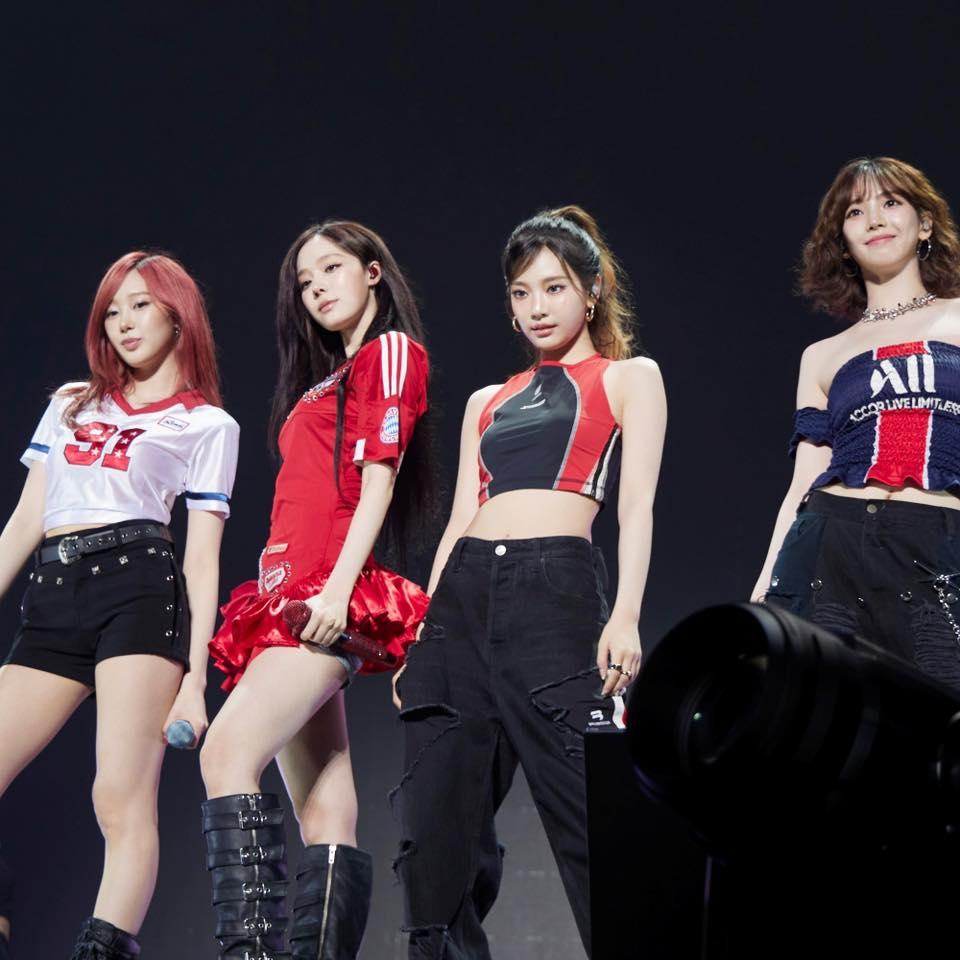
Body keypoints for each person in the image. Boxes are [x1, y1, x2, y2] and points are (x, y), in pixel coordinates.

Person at [392, 206, 666, 958]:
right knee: (435, 838)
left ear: (593, 292)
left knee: (594, 818)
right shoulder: (486, 401)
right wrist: (422, 636)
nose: (537, 307)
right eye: (521, 292)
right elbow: (459, 521)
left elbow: (637, 506)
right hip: (460, 606)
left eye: (554, 287)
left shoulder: (629, 378)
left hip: (555, 597)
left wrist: (627, 615)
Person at [201, 221, 433, 960]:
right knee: (326, 813)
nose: (317, 288)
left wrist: (335, 594)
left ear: (373, 271)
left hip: (322, 595)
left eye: (332, 268)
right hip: (285, 594)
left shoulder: (389, 353)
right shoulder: (326, 378)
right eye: (305, 282)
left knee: (224, 755)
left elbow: (379, 482)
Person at [0, 251, 238, 958]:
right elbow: (25, 521)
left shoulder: (208, 425)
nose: (124, 322)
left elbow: (201, 557)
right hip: (53, 593)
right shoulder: (70, 403)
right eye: (111, 311)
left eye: (140, 305)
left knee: (118, 796)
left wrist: (196, 679)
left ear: (177, 315)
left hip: (139, 590)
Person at [753, 157, 960, 689]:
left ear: (925, 223)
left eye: (891, 202)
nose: (875, 219)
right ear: (842, 241)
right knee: (829, 718)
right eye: (855, 211)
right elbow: (803, 481)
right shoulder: (822, 354)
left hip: (938, 547)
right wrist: (767, 581)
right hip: (831, 544)